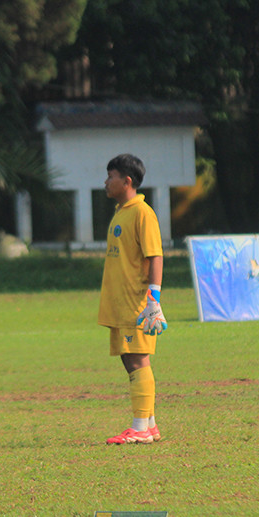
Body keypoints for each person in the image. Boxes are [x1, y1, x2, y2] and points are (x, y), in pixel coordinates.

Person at [98, 154, 167, 445]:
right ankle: (148, 425)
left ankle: (139, 426)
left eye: (111, 176)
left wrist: (153, 299)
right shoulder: (121, 211)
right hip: (120, 301)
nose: (106, 181)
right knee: (130, 359)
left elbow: (155, 255)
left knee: (138, 359)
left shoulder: (142, 213)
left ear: (127, 181)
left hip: (135, 301)